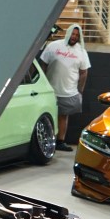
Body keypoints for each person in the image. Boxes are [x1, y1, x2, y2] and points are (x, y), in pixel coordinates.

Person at [39, 22, 90, 152]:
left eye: (77, 35)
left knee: (63, 116)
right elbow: (43, 64)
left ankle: (60, 141)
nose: (74, 37)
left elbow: (84, 72)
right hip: (50, 90)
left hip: (68, 91)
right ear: (68, 33)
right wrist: (43, 84)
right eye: (72, 34)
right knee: (46, 117)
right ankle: (45, 142)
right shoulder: (53, 46)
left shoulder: (81, 51)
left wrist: (80, 90)